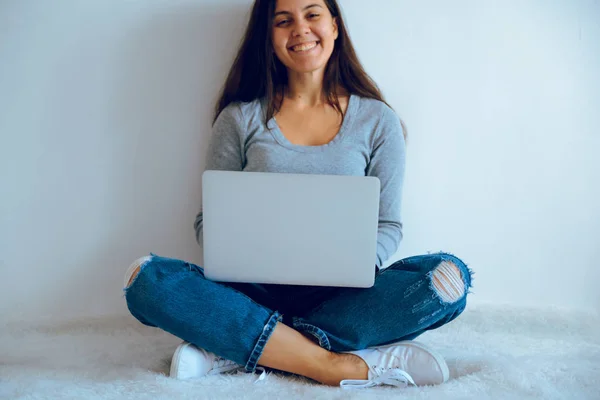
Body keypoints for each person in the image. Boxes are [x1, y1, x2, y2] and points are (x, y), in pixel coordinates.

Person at [123, 0, 473, 389]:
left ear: (335, 26)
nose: (300, 29)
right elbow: (210, 221)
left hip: (343, 298)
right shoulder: (239, 119)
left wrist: (354, 263)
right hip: (251, 292)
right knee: (146, 280)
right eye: (283, 20)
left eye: (312, 14)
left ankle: (240, 345)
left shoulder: (378, 121)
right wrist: (241, 255)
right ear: (268, 37)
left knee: (446, 279)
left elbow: (387, 225)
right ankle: (331, 363)